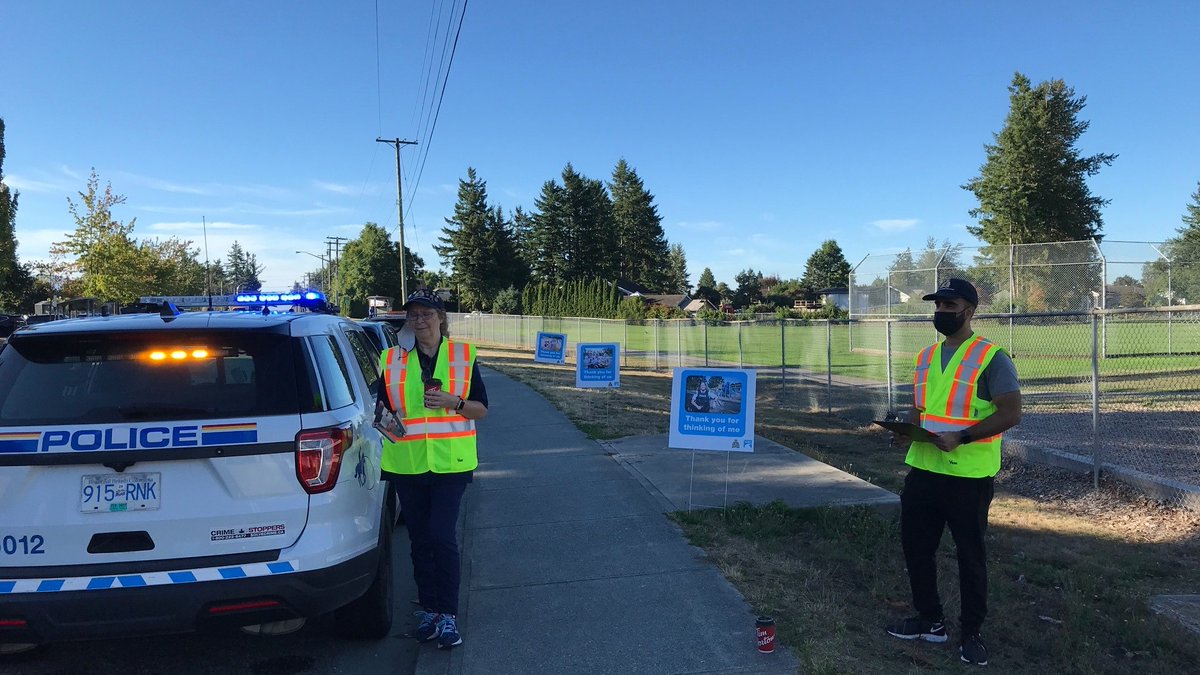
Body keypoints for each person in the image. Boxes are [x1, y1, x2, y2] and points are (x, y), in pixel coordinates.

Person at [885, 278, 1022, 667]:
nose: (942, 312)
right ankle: (930, 620)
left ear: (970, 310)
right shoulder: (925, 357)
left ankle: (971, 632)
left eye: (951, 305)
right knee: (916, 548)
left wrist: (962, 436)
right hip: (924, 470)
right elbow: (922, 410)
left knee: (970, 556)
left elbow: (1011, 412)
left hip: (968, 476)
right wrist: (906, 433)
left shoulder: (992, 357)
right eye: (938, 306)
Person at [377, 288, 488, 650]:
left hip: (450, 463)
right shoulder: (390, 359)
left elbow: (481, 410)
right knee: (420, 542)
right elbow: (380, 412)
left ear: (441, 317)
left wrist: (453, 402)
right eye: (414, 314)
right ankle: (430, 611)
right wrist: (390, 421)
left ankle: (449, 615)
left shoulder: (462, 356)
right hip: (408, 465)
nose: (420, 320)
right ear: (407, 320)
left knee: (441, 536)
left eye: (427, 313)